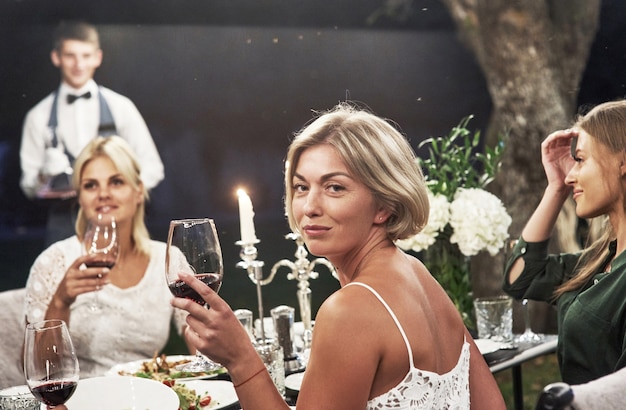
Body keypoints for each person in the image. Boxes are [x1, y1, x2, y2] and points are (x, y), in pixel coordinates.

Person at [171, 103, 505, 409]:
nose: (310, 207)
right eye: (301, 187)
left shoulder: (349, 311)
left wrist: (240, 357)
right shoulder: (416, 272)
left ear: (385, 204)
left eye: (335, 188)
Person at [23, 136, 187, 378]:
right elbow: (37, 371)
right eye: (90, 185)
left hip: (152, 397)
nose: (103, 194)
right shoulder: (53, 261)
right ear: (80, 198)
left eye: (116, 182)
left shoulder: (168, 258)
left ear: (139, 191)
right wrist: (61, 302)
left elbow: (204, 340)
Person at [503, 100, 626, 385]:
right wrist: (555, 188)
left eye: (580, 159)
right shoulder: (600, 260)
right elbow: (521, 279)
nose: (571, 175)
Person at [19, 20, 164, 245]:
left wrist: (124, 195)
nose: (79, 64)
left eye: (86, 56)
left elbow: (153, 167)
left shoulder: (121, 107)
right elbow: (29, 185)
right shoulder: (37, 116)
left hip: (117, 219)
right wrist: (43, 175)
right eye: (70, 56)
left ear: (98, 57)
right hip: (63, 225)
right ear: (56, 58)